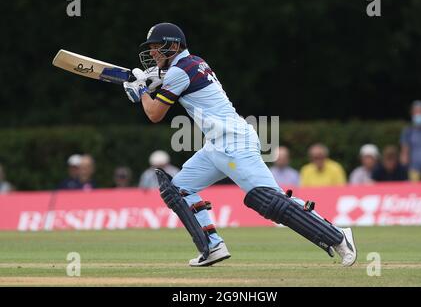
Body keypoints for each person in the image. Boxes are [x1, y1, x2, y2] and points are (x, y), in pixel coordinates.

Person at [122, 22, 356, 267]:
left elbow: (154, 114)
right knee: (178, 189)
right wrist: (152, 81)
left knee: (270, 201)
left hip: (234, 143)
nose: (153, 53)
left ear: (174, 45)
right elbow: (172, 81)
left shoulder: (179, 71)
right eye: (152, 48)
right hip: (217, 145)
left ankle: (338, 237)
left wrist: (140, 91)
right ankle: (212, 246)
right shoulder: (192, 62)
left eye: (158, 47)